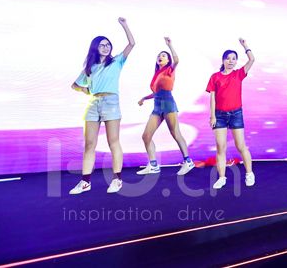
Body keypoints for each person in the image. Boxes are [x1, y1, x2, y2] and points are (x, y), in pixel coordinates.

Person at [69, 17, 135, 195]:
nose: (106, 47)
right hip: (93, 104)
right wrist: (85, 90)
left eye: (108, 45)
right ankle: (85, 182)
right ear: (95, 48)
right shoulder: (90, 68)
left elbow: (131, 43)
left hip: (111, 102)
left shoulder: (116, 61)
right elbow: (75, 85)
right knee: (89, 144)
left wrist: (124, 25)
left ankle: (117, 179)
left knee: (113, 141)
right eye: (102, 45)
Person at [135, 37, 194, 176]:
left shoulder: (169, 70)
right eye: (159, 56)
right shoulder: (156, 74)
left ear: (168, 60)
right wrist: (144, 98)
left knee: (175, 133)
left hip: (167, 103)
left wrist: (170, 46)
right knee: (146, 136)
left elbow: (177, 60)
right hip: (157, 105)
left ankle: (188, 161)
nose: (160, 57)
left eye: (163, 56)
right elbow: (156, 92)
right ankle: (153, 165)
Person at [207, 38, 255, 189]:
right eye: (228, 58)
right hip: (219, 115)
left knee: (240, 145)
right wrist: (213, 116)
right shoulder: (215, 76)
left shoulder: (239, 74)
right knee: (220, 147)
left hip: (236, 114)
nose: (231, 61)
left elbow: (252, 59)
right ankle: (222, 178)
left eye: (234, 59)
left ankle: (249, 174)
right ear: (223, 60)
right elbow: (212, 97)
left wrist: (245, 46)